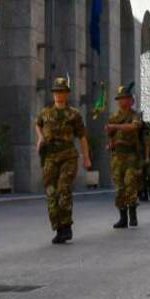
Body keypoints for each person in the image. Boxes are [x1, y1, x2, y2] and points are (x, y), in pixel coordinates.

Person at [35, 77, 92, 244]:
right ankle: (58, 228)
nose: (59, 95)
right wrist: (40, 138)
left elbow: (82, 137)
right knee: (51, 193)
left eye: (62, 92)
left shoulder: (74, 114)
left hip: (68, 156)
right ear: (53, 94)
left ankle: (66, 227)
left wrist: (86, 158)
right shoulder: (45, 113)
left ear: (67, 94)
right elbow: (37, 124)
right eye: (56, 92)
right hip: (50, 157)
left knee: (63, 189)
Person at [104, 84, 143, 229]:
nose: (122, 102)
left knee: (130, 184)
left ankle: (132, 213)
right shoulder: (114, 117)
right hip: (117, 155)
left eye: (125, 99)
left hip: (131, 155)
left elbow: (133, 127)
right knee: (119, 186)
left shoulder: (135, 115)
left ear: (131, 100)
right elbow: (110, 135)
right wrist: (110, 142)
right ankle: (122, 217)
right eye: (119, 99)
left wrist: (115, 127)